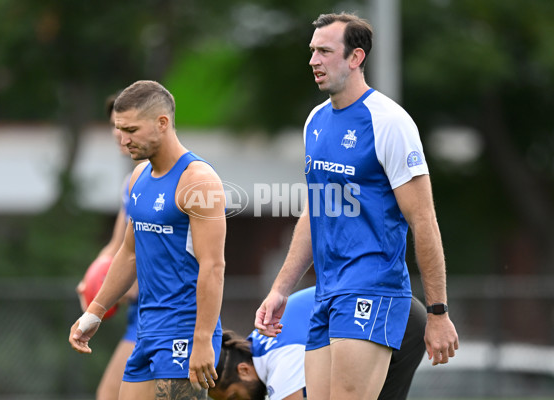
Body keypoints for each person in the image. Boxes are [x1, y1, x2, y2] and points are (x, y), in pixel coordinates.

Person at [254, 12, 459, 400]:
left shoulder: (390, 123)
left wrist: (438, 312)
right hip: (326, 293)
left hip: (372, 289)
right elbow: (316, 211)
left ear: (355, 57)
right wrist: (281, 289)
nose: (313, 60)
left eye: (325, 51)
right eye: (312, 51)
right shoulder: (315, 121)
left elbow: (424, 220)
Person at [69, 80, 226, 400]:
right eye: (118, 129)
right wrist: (94, 312)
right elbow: (128, 253)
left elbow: (213, 266)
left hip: (184, 331)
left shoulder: (198, 181)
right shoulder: (139, 178)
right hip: (146, 329)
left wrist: (203, 339)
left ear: (162, 123)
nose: (123, 140)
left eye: (131, 130)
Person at [209, 287, 427, 400]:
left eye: (235, 398)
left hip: (395, 319)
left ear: (244, 370)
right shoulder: (260, 342)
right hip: (394, 311)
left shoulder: (280, 360)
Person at [75, 92, 140, 400]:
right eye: (115, 125)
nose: (118, 134)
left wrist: (130, 285)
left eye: (126, 126)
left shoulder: (183, 178)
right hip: (139, 315)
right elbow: (117, 248)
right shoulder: (131, 183)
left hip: (169, 314)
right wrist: (91, 281)